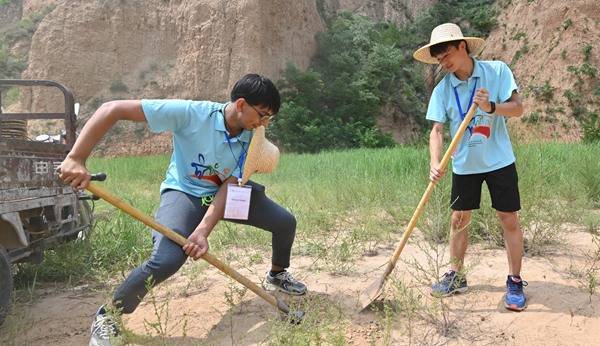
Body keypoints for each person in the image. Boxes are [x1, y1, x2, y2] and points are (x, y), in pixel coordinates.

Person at [58, 74, 307, 345]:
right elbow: (112, 109)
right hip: (184, 193)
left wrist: (202, 231)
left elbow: (230, 186)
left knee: (285, 222)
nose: (263, 124)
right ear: (241, 104)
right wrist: (76, 158)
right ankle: (109, 315)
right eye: (261, 115)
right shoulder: (191, 114)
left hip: (225, 194)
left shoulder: (252, 137)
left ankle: (277, 274)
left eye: (269, 118)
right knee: (166, 260)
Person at [413, 23, 526, 311]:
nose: (444, 62)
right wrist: (435, 162)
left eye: (447, 54)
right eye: (439, 59)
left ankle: (514, 280)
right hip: (464, 165)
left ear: (463, 46)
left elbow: (518, 108)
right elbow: (437, 131)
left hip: (499, 160)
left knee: (508, 218)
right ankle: (455, 276)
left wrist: (491, 108)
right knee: (458, 219)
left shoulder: (497, 71)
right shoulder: (443, 89)